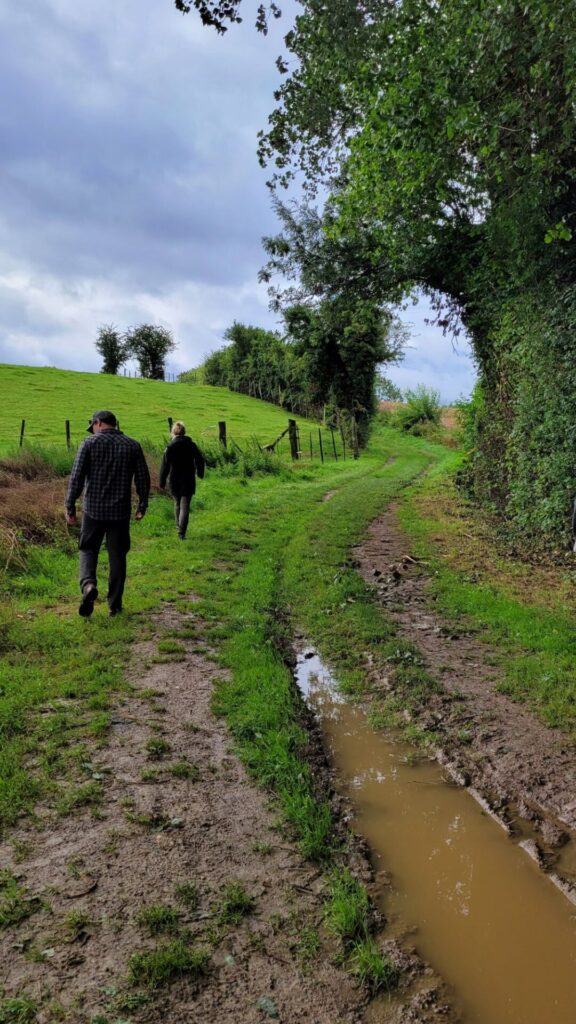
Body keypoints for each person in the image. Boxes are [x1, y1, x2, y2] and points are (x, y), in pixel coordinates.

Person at [65, 410, 150, 617]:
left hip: (93, 511)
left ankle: (88, 586)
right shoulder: (132, 445)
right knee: (117, 557)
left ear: (99, 423)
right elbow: (143, 479)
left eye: (93, 426)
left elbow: (76, 477)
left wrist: (70, 506)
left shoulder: (89, 443)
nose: (93, 430)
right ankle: (114, 605)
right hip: (120, 513)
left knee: (87, 549)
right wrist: (142, 505)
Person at [159, 421, 205, 539]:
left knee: (177, 503)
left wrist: (162, 481)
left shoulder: (170, 447)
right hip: (188, 478)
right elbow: (200, 459)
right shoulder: (191, 445)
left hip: (174, 478)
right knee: (185, 505)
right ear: (184, 432)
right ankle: (181, 532)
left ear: (173, 432)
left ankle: (178, 527)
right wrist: (200, 473)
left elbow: (165, 465)